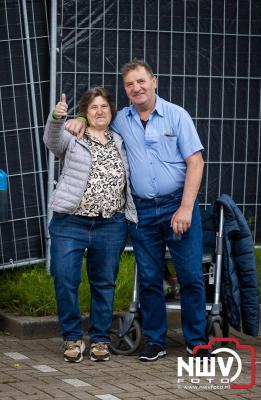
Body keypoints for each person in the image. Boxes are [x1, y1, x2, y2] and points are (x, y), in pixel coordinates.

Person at [65, 59, 207, 362]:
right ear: (126, 91)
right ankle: (156, 341)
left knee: (191, 275)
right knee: (150, 278)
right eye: (130, 84)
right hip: (141, 212)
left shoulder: (176, 116)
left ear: (154, 81)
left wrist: (185, 207)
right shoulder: (121, 120)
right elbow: (97, 117)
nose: (136, 88)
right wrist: (78, 116)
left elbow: (196, 162)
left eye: (141, 81)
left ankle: (197, 341)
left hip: (177, 206)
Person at [44, 86, 137, 363]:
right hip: (71, 222)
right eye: (93, 107)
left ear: (111, 111)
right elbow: (51, 140)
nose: (99, 111)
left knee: (104, 283)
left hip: (110, 224)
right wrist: (58, 117)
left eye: (104, 107)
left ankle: (99, 339)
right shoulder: (73, 136)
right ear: (85, 111)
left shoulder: (121, 141)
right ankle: (72, 338)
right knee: (65, 278)